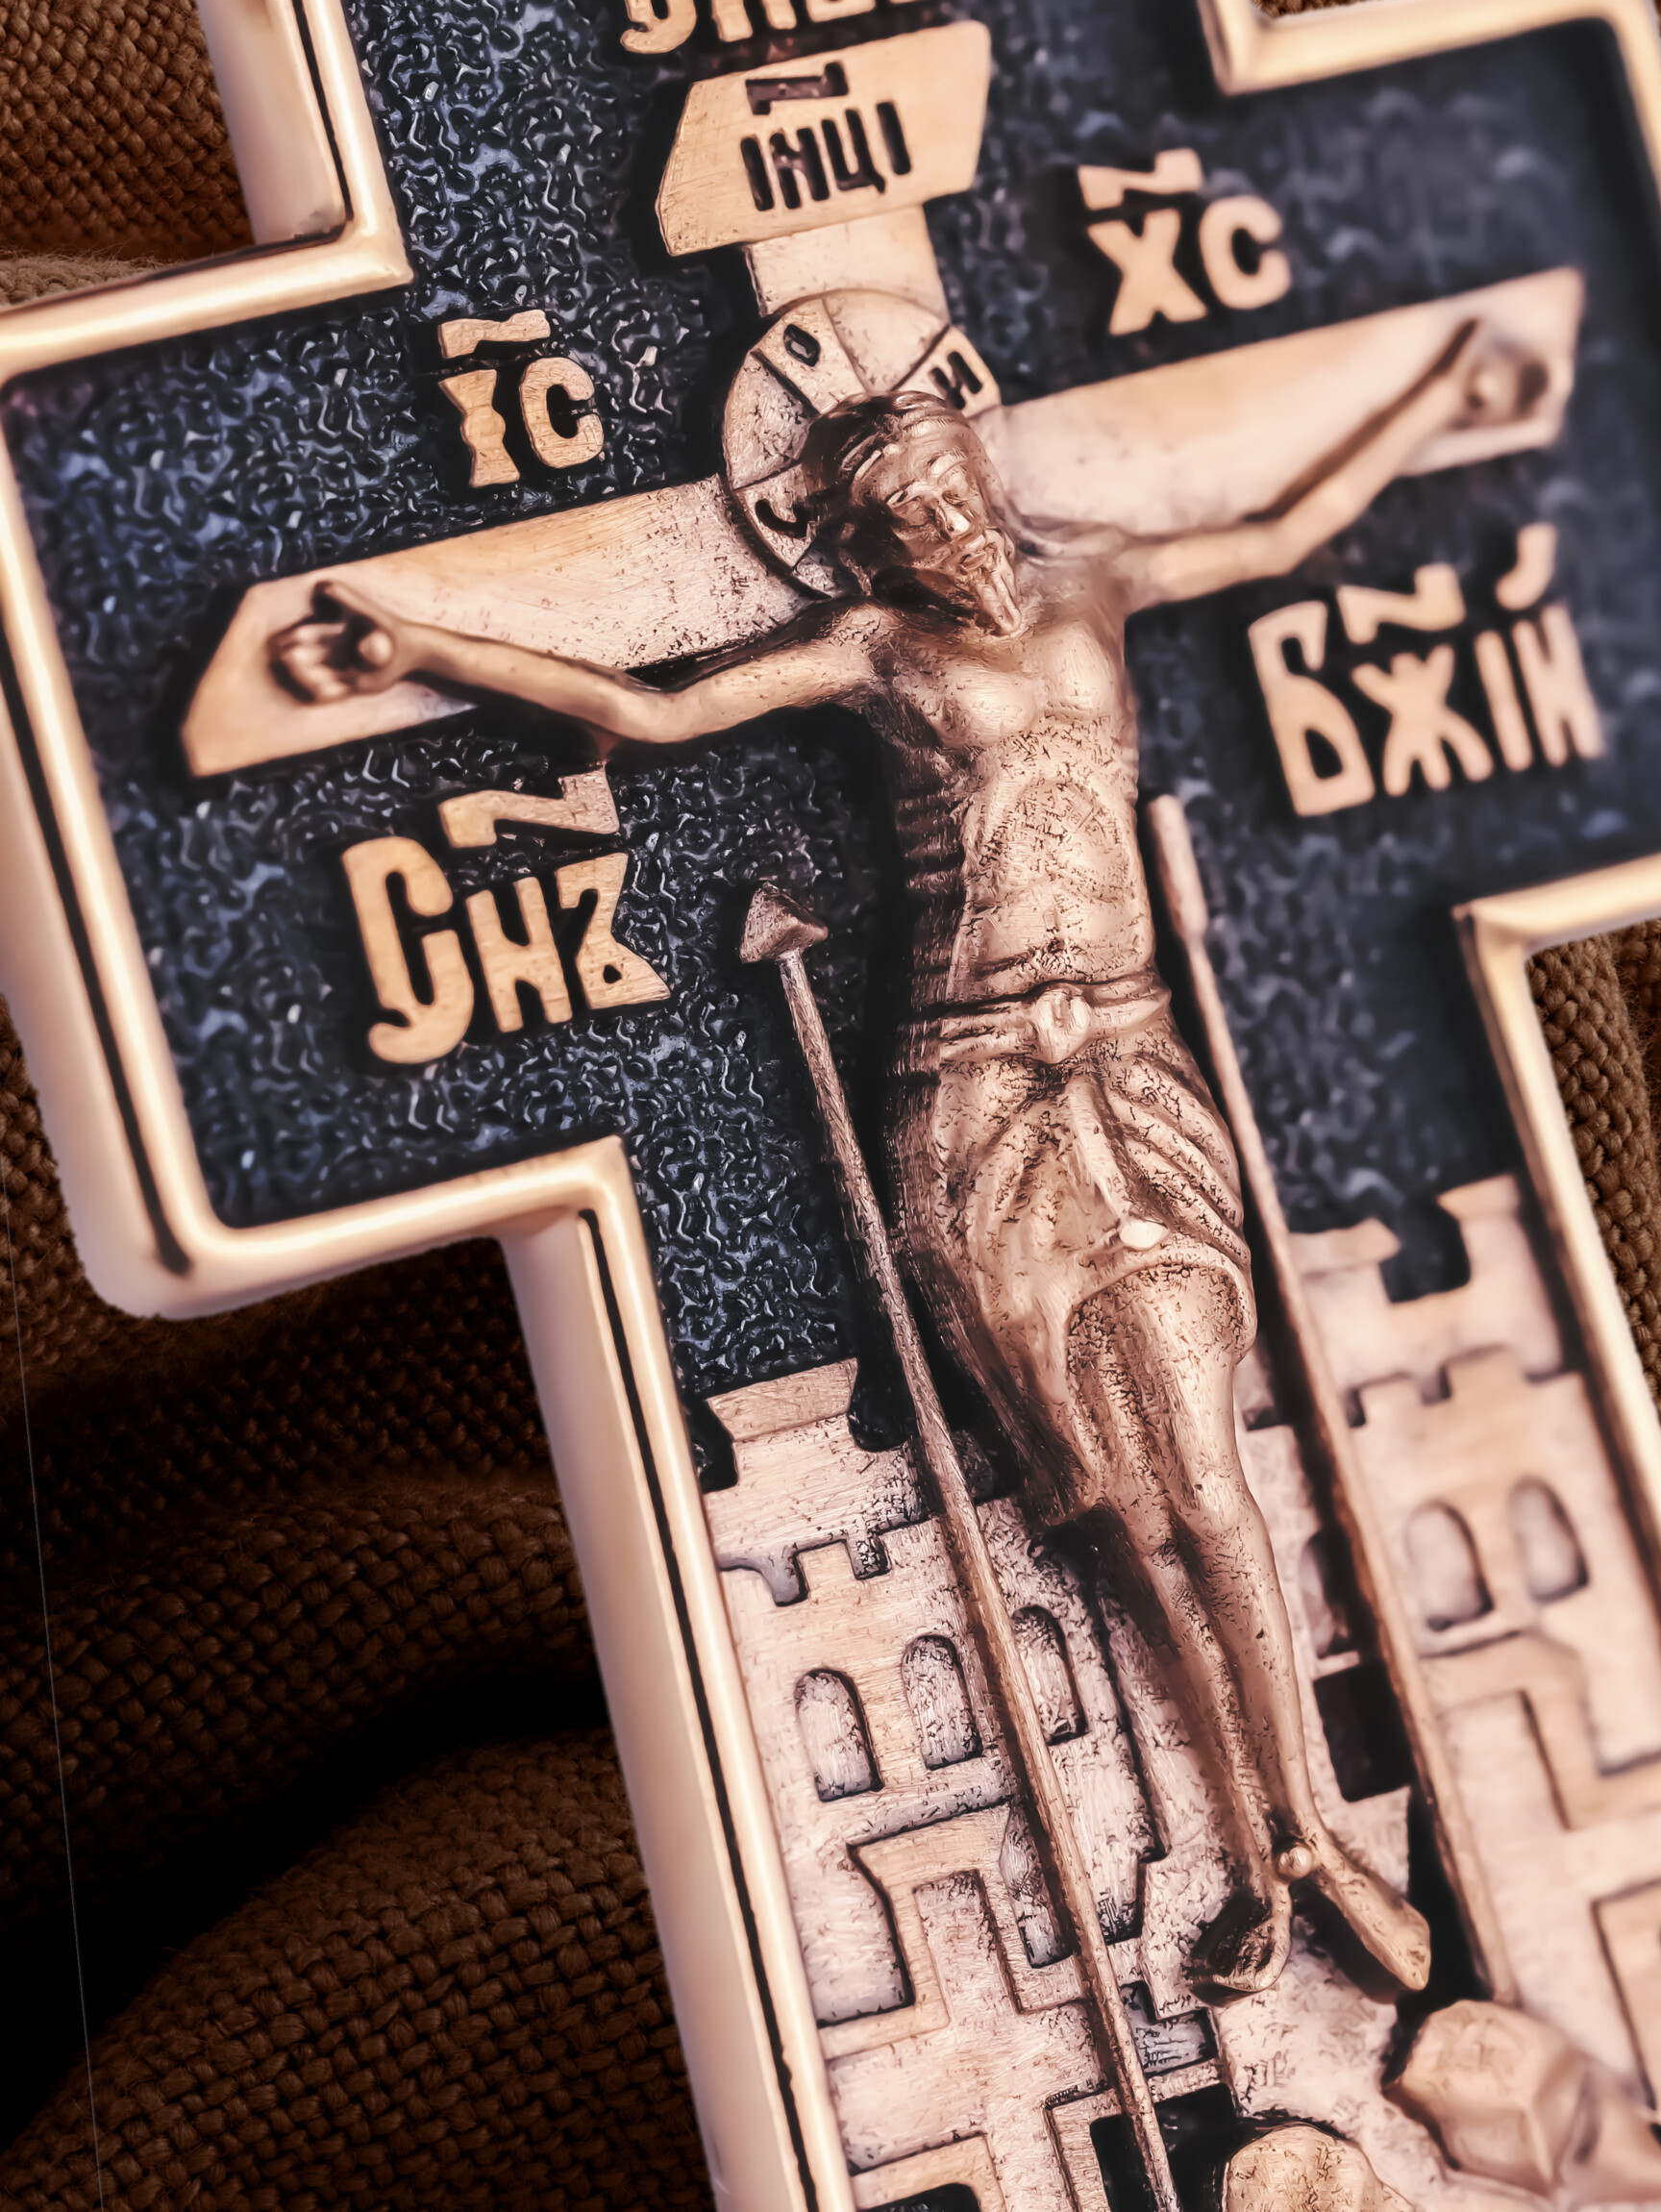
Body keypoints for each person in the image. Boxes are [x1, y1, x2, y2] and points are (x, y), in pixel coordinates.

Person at [272, 316, 1521, 1994]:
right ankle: (1259, 1847)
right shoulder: (873, 648)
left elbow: (1285, 528)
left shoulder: (1096, 582)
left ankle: (1308, 1840)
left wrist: (1440, 395)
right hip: (982, 1092)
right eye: (897, 516)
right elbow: (654, 712)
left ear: (977, 468)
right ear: (860, 545)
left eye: (943, 485)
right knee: (1114, 1501)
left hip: (1131, 1064)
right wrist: (417, 642)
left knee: (1210, 1472)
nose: (939, 524)